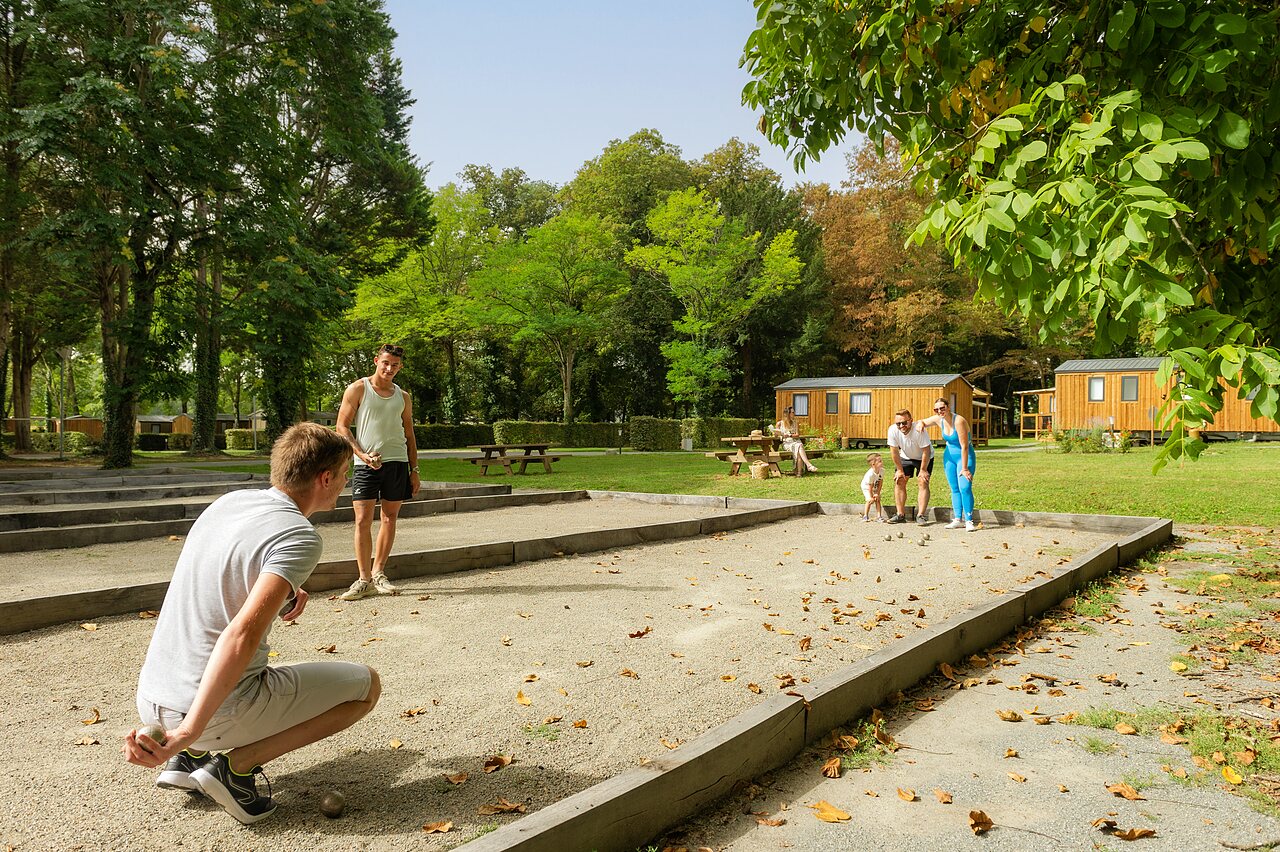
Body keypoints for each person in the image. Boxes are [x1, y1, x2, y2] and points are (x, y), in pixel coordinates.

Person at [124, 423, 381, 825]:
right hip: (209, 713)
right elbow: (240, 636)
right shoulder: (300, 534)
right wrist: (191, 729)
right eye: (345, 474)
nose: (346, 483)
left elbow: (214, 582)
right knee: (367, 687)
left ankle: (187, 759)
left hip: (153, 698)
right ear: (324, 478)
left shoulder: (229, 503)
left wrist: (286, 593)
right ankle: (234, 769)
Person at [336, 343, 421, 601]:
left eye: (395, 365)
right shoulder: (358, 388)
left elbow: (409, 434)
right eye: (385, 363)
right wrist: (361, 455)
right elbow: (342, 426)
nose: (389, 368)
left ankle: (379, 573)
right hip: (366, 465)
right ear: (376, 361)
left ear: (400, 366)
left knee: (389, 519)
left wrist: (414, 469)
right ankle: (363, 579)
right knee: (362, 520)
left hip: (397, 463)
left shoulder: (402, 397)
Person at [917, 397, 978, 531]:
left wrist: (965, 468)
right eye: (936, 409)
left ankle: (969, 520)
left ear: (948, 407)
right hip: (949, 457)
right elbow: (923, 421)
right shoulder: (939, 419)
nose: (939, 411)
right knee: (954, 488)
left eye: (942, 408)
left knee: (965, 487)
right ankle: (957, 519)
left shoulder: (959, 421)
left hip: (964, 456)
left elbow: (964, 447)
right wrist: (920, 424)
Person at [886, 408, 933, 525]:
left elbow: (926, 451)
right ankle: (900, 515)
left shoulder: (919, 430)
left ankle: (921, 515)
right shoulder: (892, 430)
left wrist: (923, 470)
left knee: (923, 481)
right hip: (906, 456)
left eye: (904, 422)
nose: (901, 426)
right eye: (898, 423)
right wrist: (899, 470)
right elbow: (894, 452)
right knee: (900, 480)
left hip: (923, 457)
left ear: (911, 421)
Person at [774, 406, 818, 475]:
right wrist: (777, 434)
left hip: (795, 441)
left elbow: (797, 435)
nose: (794, 414)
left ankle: (799, 473)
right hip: (787, 443)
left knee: (799, 448)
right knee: (799, 446)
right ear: (788, 413)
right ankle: (808, 465)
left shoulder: (795, 422)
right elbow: (776, 435)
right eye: (793, 412)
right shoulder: (779, 424)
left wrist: (790, 435)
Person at [860, 452, 886, 521]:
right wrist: (871, 496)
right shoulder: (870, 474)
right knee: (869, 500)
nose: (882, 462)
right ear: (873, 464)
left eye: (881, 460)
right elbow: (870, 487)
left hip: (875, 486)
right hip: (867, 487)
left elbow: (880, 482)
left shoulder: (882, 471)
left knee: (877, 499)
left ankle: (879, 516)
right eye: (879, 461)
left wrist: (877, 493)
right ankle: (865, 516)